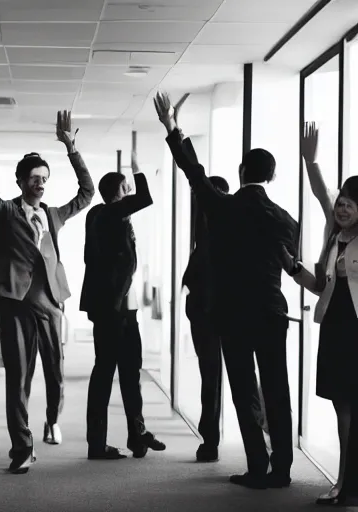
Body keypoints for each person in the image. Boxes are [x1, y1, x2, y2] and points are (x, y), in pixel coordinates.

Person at [154, 91, 299, 490]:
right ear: (271, 176)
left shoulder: (222, 206)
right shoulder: (285, 220)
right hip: (271, 312)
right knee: (277, 391)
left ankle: (257, 467)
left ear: (239, 172)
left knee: (243, 392)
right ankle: (282, 469)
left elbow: (193, 172)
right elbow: (290, 264)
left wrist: (173, 128)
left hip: (232, 314)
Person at [0, 112, 93, 474]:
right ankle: (21, 447)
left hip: (51, 301)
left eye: (44, 179)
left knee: (55, 370)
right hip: (15, 302)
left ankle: (53, 418)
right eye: (34, 179)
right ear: (21, 181)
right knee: (19, 376)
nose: (40, 184)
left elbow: (87, 192)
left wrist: (71, 149)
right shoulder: (7, 211)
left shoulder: (53, 215)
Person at [287, 123, 358, 505]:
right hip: (336, 328)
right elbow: (320, 287)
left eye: (349, 202)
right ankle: (344, 482)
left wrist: (311, 162)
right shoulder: (334, 235)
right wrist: (294, 268)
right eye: (341, 201)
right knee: (342, 410)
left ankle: (348, 485)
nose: (341, 207)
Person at [79, 151, 166, 460]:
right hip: (109, 309)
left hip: (124, 309)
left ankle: (137, 435)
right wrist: (138, 171)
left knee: (130, 371)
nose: (130, 192)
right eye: (126, 188)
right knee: (105, 372)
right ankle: (97, 444)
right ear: (119, 194)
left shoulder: (111, 219)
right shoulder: (107, 214)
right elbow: (144, 198)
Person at [182, 174, 231, 463]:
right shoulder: (213, 227)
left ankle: (211, 440)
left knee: (212, 376)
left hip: (210, 310)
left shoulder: (208, 228)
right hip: (208, 310)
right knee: (214, 376)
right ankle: (211, 439)